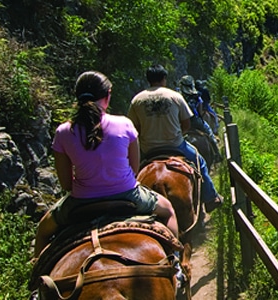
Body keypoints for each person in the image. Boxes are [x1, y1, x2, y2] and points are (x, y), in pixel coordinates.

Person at [33, 71, 179, 259]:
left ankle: (36, 285)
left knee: (43, 230)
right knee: (168, 210)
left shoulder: (63, 131)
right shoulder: (124, 124)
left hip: (81, 201)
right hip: (128, 195)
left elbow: (66, 184)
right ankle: (175, 264)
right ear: (108, 95)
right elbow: (134, 171)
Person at [127, 64, 223, 213]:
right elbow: (186, 123)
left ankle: (127, 204)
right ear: (164, 79)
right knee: (200, 162)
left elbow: (134, 128)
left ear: (148, 79)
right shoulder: (174, 96)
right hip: (175, 145)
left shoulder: (137, 100)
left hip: (147, 149)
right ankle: (210, 198)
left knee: (130, 172)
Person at [177, 75, 221, 160]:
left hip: (181, 123)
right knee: (209, 133)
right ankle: (217, 153)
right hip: (196, 121)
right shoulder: (196, 95)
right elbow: (200, 111)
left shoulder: (178, 97)